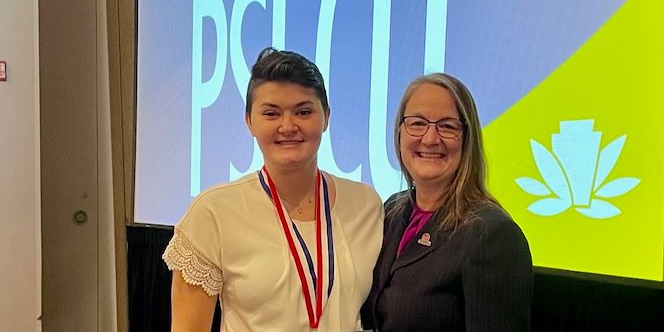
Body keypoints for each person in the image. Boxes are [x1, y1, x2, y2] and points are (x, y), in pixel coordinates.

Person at [163, 48, 383, 332]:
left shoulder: (365, 205)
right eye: (271, 113)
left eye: (304, 111)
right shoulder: (214, 212)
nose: (288, 126)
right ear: (249, 121)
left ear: (326, 117)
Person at [362, 73, 533, 331]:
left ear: (467, 138)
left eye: (447, 126)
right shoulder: (392, 211)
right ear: (399, 133)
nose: (430, 138)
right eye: (417, 123)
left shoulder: (492, 234)